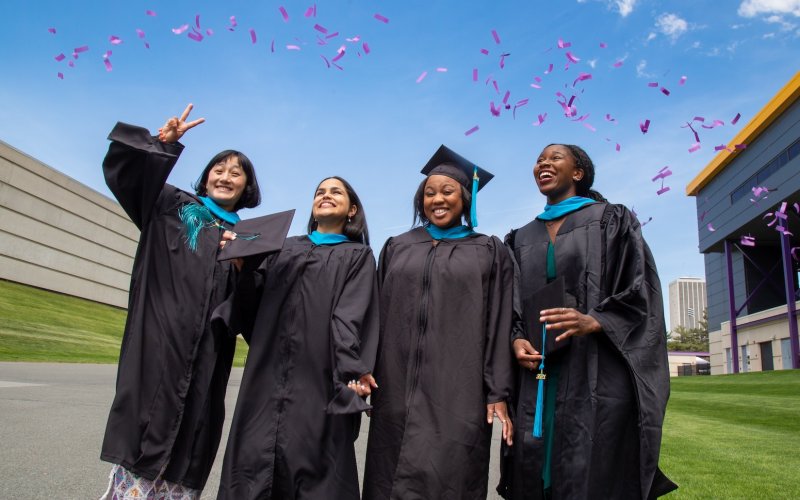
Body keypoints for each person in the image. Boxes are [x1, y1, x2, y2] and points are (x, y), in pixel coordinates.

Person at [99, 104, 262, 499]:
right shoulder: (170, 205)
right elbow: (127, 179)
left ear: (246, 187)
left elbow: (254, 315)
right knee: (145, 436)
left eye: (235, 172)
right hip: (158, 345)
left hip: (209, 358)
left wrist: (243, 267)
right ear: (205, 178)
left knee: (191, 440)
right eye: (218, 169)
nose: (225, 176)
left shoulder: (253, 238)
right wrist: (161, 145)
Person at [497, 144, 677, 499]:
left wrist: (595, 320)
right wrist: (517, 338)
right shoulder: (519, 237)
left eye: (554, 157)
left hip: (595, 368)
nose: (543, 163)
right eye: (538, 160)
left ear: (578, 173)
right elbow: (510, 303)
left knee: (591, 464)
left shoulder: (611, 219)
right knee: (533, 463)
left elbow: (639, 289)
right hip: (538, 373)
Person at [363, 145, 515, 500]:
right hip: (395, 384)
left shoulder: (489, 250)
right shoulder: (397, 246)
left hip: (458, 388)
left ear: (465, 198)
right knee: (389, 475)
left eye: (448, 191)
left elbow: (499, 321)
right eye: (429, 193)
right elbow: (374, 315)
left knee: (452, 476)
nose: (438, 199)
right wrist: (367, 369)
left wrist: (497, 391)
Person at [215, 176, 379, 500]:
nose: (325, 195)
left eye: (335, 192)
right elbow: (250, 310)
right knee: (252, 465)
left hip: (317, 382)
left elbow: (351, 316)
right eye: (320, 192)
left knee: (315, 467)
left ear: (352, 210)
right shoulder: (282, 248)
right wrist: (241, 268)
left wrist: (350, 370)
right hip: (264, 379)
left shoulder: (358, 257)